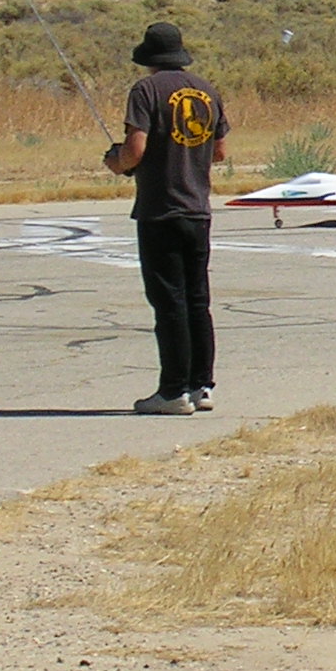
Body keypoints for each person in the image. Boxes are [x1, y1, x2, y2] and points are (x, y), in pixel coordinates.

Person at [104, 21, 228, 415]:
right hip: (197, 208)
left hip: (161, 210)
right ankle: (200, 385)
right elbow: (220, 150)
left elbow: (135, 149)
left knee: (168, 301)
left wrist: (117, 162)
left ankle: (173, 390)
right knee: (197, 300)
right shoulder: (207, 90)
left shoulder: (145, 91)